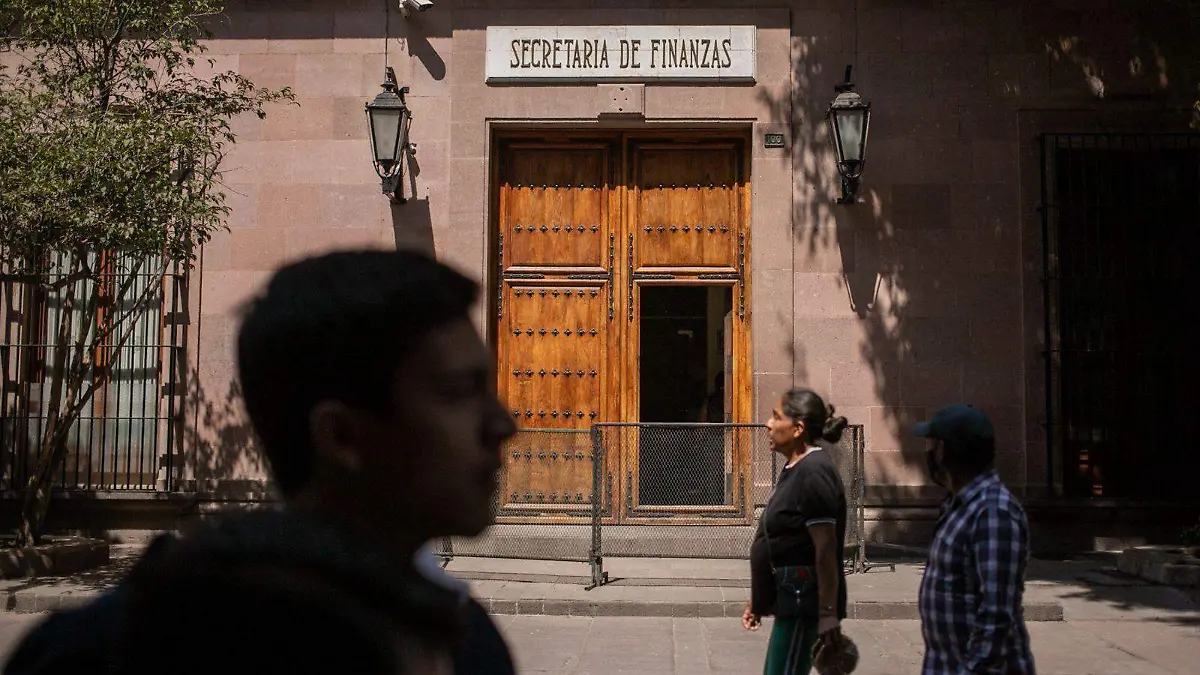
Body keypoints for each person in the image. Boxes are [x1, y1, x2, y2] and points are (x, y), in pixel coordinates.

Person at [4, 250, 519, 675]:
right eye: (458, 390)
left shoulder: (465, 641)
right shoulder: (100, 656)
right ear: (341, 436)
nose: (503, 424)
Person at [914, 404, 1035, 674]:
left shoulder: (992, 512)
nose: (929, 454)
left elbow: (996, 615)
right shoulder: (959, 504)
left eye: (932, 445)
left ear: (943, 451)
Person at [743, 388, 857, 675]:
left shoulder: (814, 472)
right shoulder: (796, 468)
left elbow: (825, 548)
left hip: (802, 604)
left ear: (798, 428)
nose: (768, 424)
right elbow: (782, 541)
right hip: (790, 599)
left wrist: (828, 614)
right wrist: (759, 600)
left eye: (776, 417)